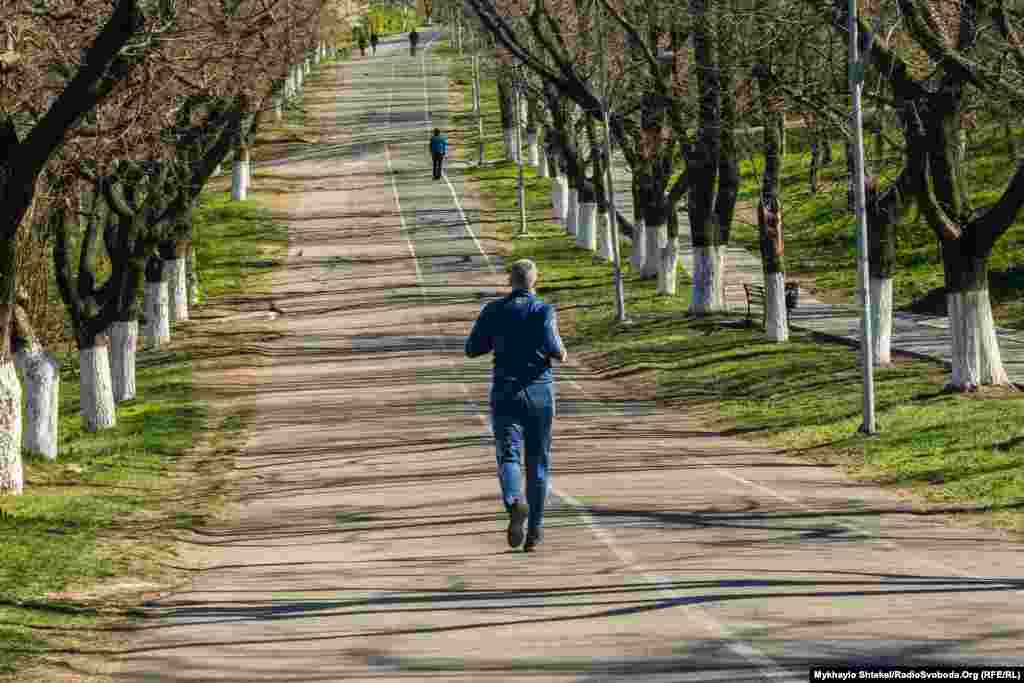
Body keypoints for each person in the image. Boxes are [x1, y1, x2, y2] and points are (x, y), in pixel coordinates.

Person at [465, 260, 568, 553]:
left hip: (506, 391)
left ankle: (514, 502)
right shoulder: (544, 310)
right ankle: (535, 531)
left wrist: (497, 341)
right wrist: (561, 352)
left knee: (508, 454)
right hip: (540, 393)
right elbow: (556, 348)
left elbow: (472, 349)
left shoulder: (494, 310)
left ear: (509, 280)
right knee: (538, 461)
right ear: (536, 280)